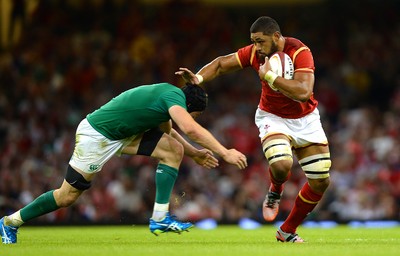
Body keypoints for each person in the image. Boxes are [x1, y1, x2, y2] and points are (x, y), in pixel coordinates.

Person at [0, 82, 248, 244]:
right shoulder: (174, 99)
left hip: (120, 134)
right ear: (190, 107)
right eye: (195, 113)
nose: (192, 116)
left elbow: (170, 134)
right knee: (67, 197)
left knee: (173, 150)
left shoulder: (166, 99)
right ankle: (10, 221)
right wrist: (224, 152)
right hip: (97, 136)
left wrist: (194, 154)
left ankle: (159, 218)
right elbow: (190, 128)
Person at [176, 16, 331, 243]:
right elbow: (220, 64)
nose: (257, 47)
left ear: (276, 37)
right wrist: (198, 77)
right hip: (273, 117)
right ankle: (275, 189)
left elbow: (303, 92)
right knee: (281, 164)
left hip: (306, 119)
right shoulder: (255, 53)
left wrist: (269, 76)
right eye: (254, 41)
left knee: (321, 180)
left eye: (260, 41)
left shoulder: (299, 51)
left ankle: (287, 230)